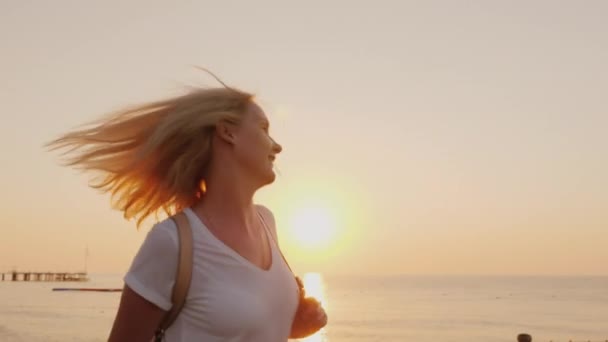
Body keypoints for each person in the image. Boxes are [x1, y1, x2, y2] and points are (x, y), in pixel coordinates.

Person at [46, 72, 328, 341]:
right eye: (264, 129)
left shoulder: (267, 222)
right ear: (227, 132)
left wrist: (294, 325)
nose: (276, 146)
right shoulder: (173, 242)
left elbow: (239, 328)